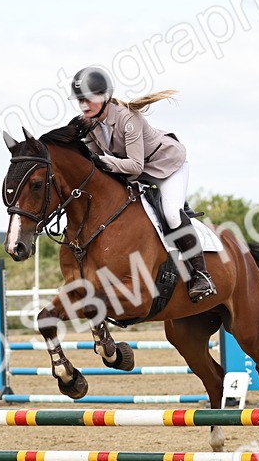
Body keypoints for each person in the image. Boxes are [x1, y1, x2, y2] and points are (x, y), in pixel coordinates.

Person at [68, 66, 216, 303]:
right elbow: (97, 163)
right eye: (80, 100)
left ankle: (201, 274)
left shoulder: (128, 119)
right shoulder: (90, 125)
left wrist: (100, 161)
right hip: (137, 173)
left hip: (167, 167)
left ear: (105, 96)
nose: (84, 105)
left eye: (89, 99)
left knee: (171, 214)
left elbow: (134, 165)